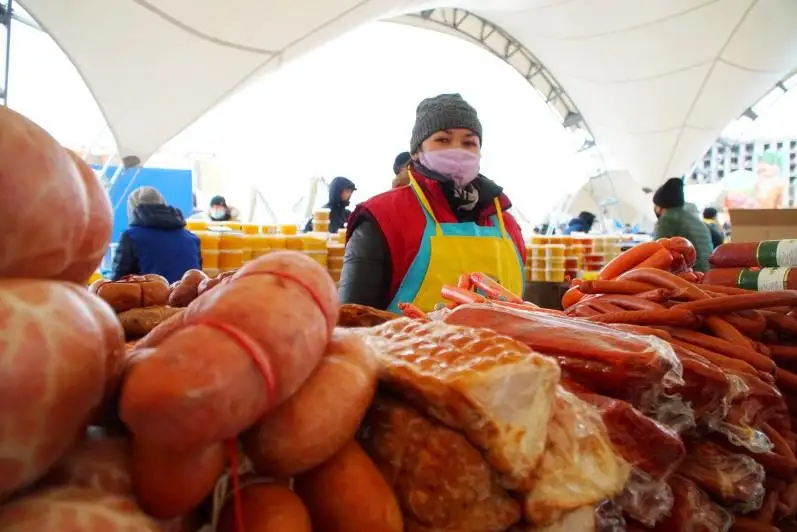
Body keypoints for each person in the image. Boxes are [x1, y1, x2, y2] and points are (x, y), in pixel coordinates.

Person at [339, 93, 526, 312]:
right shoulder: (382, 216)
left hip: (501, 347)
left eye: (469, 142)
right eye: (443, 140)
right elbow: (353, 318)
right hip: (405, 346)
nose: (458, 150)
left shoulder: (507, 225)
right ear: (417, 151)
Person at [112, 186, 202, 283]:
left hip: (153, 296)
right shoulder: (192, 239)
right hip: (192, 297)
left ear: (132, 209)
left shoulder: (132, 237)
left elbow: (116, 282)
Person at [652, 177, 713, 272]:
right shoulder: (695, 220)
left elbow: (656, 252)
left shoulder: (667, 219)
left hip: (691, 277)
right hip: (708, 274)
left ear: (660, 206)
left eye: (655, 205)